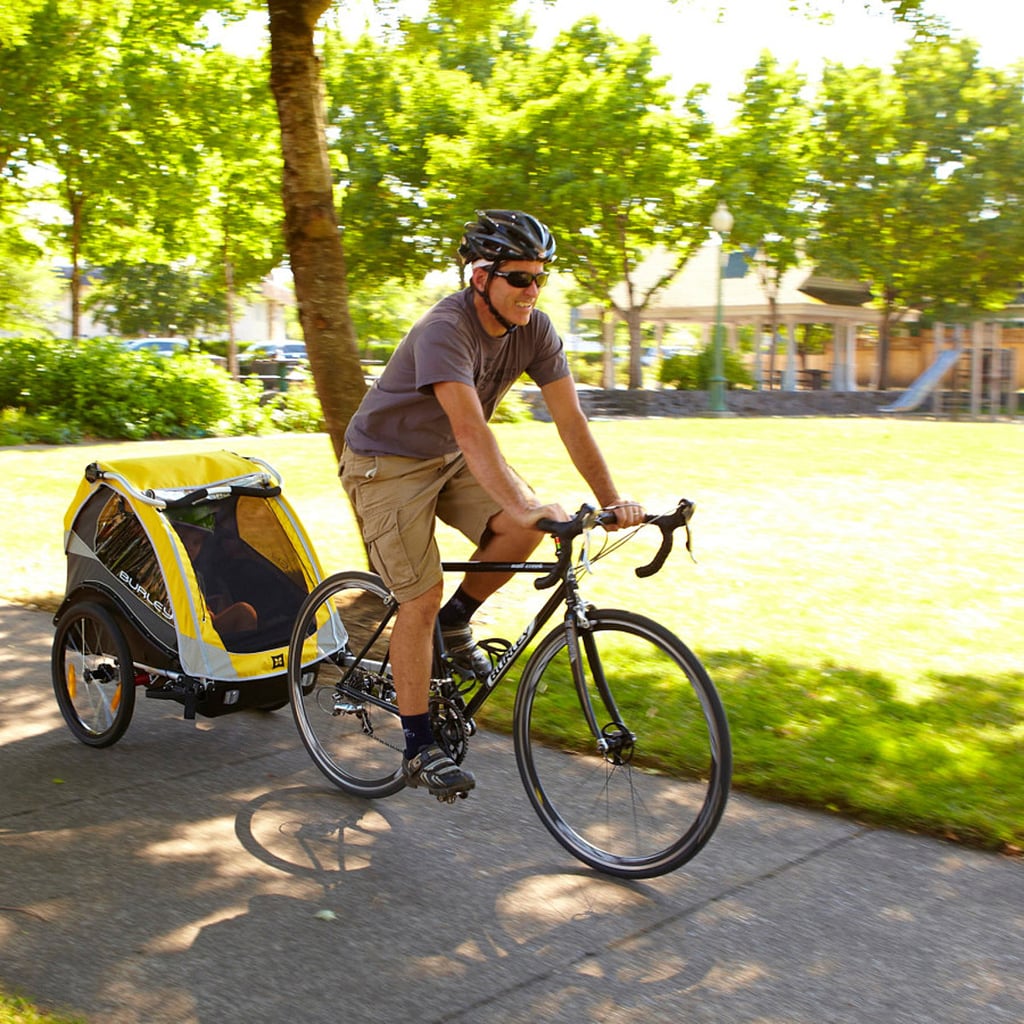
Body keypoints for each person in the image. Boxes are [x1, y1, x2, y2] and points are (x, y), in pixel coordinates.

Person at [339, 209, 645, 801]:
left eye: (540, 278)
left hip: (448, 457)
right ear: (481, 276)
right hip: (385, 463)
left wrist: (614, 501)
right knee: (418, 596)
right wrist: (520, 501)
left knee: (531, 522)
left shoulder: (536, 330)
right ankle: (418, 744)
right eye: (519, 278)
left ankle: (457, 624)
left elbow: (571, 420)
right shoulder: (444, 330)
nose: (533, 291)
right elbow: (473, 428)